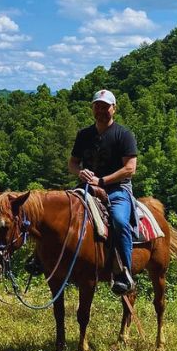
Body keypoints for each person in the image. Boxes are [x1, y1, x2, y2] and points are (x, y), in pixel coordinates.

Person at [68, 89, 138, 295]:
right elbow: (72, 163)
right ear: (92, 108)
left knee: (118, 220)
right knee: (62, 211)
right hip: (87, 187)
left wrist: (102, 180)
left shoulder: (123, 135)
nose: (101, 110)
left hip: (117, 189)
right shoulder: (84, 135)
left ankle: (124, 272)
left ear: (114, 108)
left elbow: (130, 168)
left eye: (105, 106)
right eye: (97, 106)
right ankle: (42, 260)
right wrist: (81, 173)